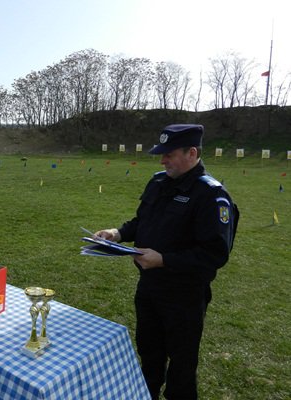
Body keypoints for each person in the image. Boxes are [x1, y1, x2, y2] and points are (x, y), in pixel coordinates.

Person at [95, 124, 238, 400]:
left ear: (192, 152)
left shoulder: (211, 195)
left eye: (169, 154)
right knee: (149, 356)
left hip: (183, 297)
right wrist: (118, 233)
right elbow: (142, 221)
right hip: (149, 289)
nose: (162, 160)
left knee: (181, 369)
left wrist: (164, 261)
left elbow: (215, 254)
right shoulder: (159, 181)